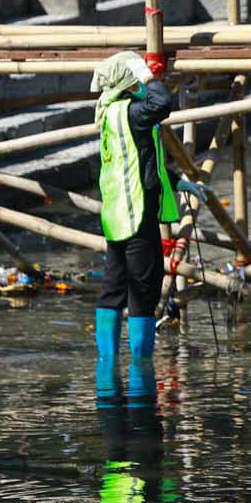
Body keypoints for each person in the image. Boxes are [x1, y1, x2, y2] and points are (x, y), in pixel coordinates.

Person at [90, 51, 182, 362]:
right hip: (137, 213)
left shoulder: (110, 112)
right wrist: (146, 74)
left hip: (117, 215)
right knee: (143, 289)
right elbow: (162, 104)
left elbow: (138, 160)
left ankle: (108, 365)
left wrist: (178, 181)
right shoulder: (130, 111)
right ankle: (141, 370)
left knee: (114, 286)